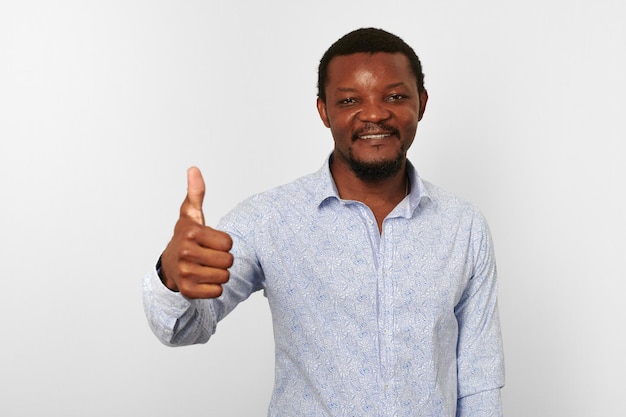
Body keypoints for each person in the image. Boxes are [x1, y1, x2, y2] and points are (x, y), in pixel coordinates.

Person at [143, 27, 505, 416]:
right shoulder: (269, 219)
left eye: (395, 96)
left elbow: (478, 380)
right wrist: (170, 275)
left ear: (422, 103)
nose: (374, 113)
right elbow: (183, 328)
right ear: (324, 111)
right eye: (350, 100)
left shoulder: (463, 226)